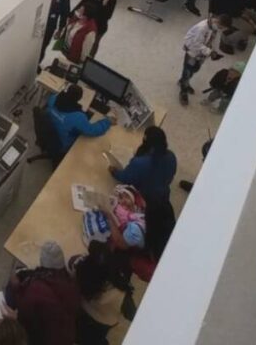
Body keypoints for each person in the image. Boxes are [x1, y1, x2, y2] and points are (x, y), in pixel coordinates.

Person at [110, 127, 178, 258]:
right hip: (163, 198)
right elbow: (171, 176)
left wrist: (114, 171)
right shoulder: (171, 156)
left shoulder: (140, 163)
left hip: (144, 202)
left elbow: (125, 177)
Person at [7, 241, 79, 345]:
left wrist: (16, 288)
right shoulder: (71, 284)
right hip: (68, 337)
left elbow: (24, 311)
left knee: (9, 291)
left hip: (43, 339)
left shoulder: (36, 289)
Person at [70, 241, 132, 344]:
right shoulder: (120, 293)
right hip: (104, 322)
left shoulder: (82, 270)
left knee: (81, 333)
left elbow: (72, 261)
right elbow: (132, 314)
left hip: (83, 311)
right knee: (97, 339)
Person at [47, 85, 112, 157]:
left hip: (48, 134)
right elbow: (92, 131)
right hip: (62, 144)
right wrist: (107, 122)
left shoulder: (53, 98)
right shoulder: (78, 117)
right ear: (80, 98)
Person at [178, 15, 230, 105]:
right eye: (220, 27)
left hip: (201, 54)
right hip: (192, 52)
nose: (220, 29)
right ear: (217, 22)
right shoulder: (201, 28)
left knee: (195, 69)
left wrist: (213, 51)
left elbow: (213, 40)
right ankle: (183, 91)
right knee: (187, 71)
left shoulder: (214, 28)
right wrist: (210, 52)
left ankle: (182, 81)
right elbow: (196, 44)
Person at [59, 0, 100, 64]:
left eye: (81, 10)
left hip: (74, 56)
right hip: (65, 49)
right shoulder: (76, 19)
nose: (78, 10)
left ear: (86, 14)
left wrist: (81, 61)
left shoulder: (90, 31)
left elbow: (86, 50)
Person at [41, 0, 71, 65]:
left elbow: (65, 14)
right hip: (36, 22)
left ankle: (37, 64)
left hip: (50, 25)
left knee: (43, 46)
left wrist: (60, 29)